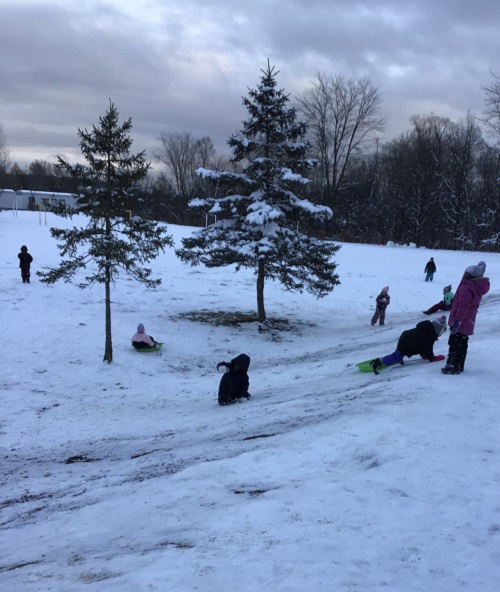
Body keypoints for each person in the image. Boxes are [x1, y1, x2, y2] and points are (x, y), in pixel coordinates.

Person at [441, 263, 490, 375]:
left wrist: (457, 322)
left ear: (471, 276)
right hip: (468, 322)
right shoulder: (475, 286)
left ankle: (452, 366)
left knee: (455, 344)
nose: (463, 275)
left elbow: (463, 307)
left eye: (466, 273)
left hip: (460, 322)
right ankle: (459, 365)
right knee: (462, 343)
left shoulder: (466, 288)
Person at [370, 316, 447, 374]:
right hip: (406, 343)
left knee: (399, 354)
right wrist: (432, 358)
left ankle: (395, 358)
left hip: (406, 337)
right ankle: (377, 363)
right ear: (438, 329)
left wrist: (424, 354)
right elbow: (428, 348)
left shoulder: (427, 329)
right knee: (396, 357)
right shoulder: (429, 335)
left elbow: (421, 343)